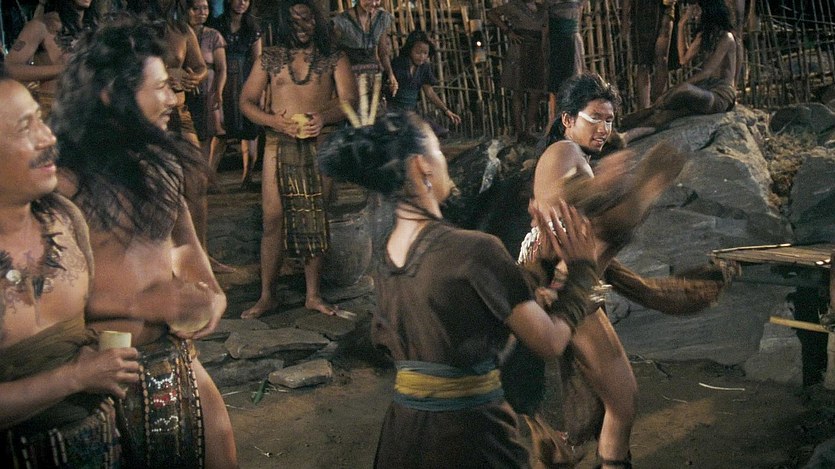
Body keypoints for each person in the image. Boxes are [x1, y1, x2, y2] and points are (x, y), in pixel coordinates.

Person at [317, 110, 603, 468]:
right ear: (421, 166)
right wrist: (580, 270)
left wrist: (531, 277)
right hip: (468, 436)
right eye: (438, 150)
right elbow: (549, 341)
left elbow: (455, 324)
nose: (445, 160)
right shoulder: (474, 250)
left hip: (404, 435)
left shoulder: (388, 254)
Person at [50, 17, 237, 468]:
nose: (173, 99)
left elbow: (184, 241)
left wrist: (209, 292)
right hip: (98, 370)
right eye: (160, 88)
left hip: (172, 355)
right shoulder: (65, 181)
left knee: (222, 453)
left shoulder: (161, 162)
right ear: (110, 94)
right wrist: (142, 303)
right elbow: (48, 300)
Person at [0, 69, 141, 467]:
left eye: (40, 119)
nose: (48, 138)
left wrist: (158, 310)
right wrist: (74, 378)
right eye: (26, 127)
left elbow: (89, 321)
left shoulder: (64, 217)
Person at [238, 0, 356, 319]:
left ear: (317, 21)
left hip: (319, 145)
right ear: (284, 23)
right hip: (278, 144)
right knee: (273, 219)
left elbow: (350, 101)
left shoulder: (333, 58)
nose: (301, 26)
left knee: (315, 218)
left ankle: (313, 295)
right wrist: (272, 121)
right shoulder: (271, 58)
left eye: (307, 19)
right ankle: (267, 296)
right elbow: (246, 101)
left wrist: (324, 117)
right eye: (294, 21)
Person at [620, 0, 737, 134]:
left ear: (709, 12)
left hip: (721, 94)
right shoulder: (704, 36)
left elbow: (707, 72)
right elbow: (683, 59)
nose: (696, 14)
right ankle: (629, 133)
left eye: (698, 10)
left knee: (683, 90)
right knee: (667, 115)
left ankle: (649, 111)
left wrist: (678, 87)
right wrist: (681, 24)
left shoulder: (726, 37)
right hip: (706, 89)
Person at [4, 0, 99, 116]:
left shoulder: (95, 27)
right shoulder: (41, 26)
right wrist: (63, 68)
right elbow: (10, 69)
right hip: (53, 111)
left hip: (88, 109)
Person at [211, 0, 262, 188]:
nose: (242, 3)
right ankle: (209, 178)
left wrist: (259, 88)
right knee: (220, 131)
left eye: (246, 0)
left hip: (245, 77)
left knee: (250, 130)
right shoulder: (217, 25)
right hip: (222, 78)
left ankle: (247, 177)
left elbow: (257, 60)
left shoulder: (252, 28)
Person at [486, 0, 546, 142]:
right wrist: (508, 31)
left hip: (537, 49)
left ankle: (529, 130)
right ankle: (519, 132)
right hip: (519, 48)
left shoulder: (543, 8)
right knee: (517, 91)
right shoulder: (514, 6)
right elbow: (491, 13)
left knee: (535, 92)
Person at [384, 30, 461, 138]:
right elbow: (385, 88)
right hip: (394, 112)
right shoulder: (397, 64)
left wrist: (446, 111)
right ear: (409, 50)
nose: (422, 57)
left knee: (439, 132)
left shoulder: (424, 68)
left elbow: (429, 92)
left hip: (412, 112)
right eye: (418, 52)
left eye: (425, 53)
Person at [185, 0, 227, 177]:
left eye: (205, 8)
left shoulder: (213, 35)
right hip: (185, 87)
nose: (201, 12)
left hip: (209, 87)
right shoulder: (180, 33)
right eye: (196, 8)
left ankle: (204, 175)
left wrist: (218, 91)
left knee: (208, 133)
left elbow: (221, 68)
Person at [331, 0, 398, 98]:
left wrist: (390, 74)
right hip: (350, 81)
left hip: (373, 81)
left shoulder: (381, 18)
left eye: (377, 0)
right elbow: (333, 55)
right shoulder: (342, 22)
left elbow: (383, 53)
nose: (374, 4)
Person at [622, 0, 679, 109]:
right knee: (643, 64)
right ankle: (644, 109)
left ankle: (657, 104)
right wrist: (625, 19)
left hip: (664, 8)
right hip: (641, 10)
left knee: (662, 59)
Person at [544, 0, 586, 122]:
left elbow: (579, 15)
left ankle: (574, 117)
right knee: (557, 83)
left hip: (571, 39)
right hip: (556, 40)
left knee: (574, 79)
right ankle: (557, 119)